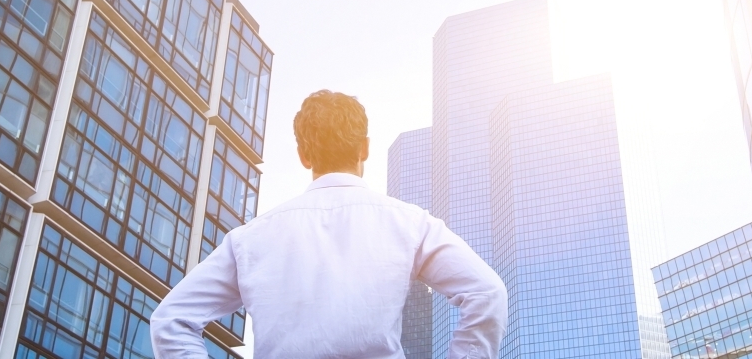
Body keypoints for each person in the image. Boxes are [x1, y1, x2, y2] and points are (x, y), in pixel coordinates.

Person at [150, 90, 508, 358]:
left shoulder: (250, 240)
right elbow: (487, 293)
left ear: (303, 155)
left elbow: (171, 320)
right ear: (364, 148)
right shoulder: (411, 224)